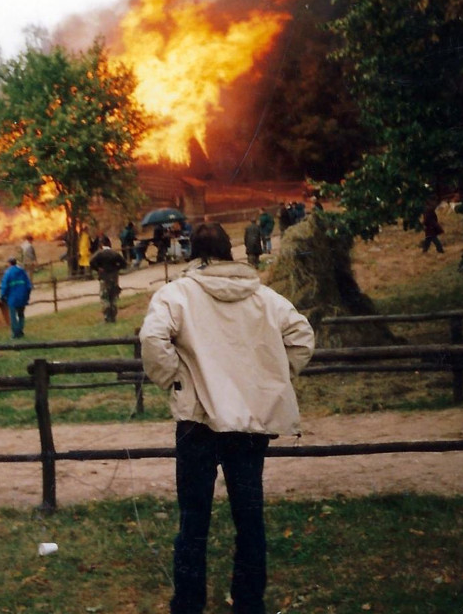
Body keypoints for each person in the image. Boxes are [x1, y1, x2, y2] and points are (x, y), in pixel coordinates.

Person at [139, 224, 315, 614]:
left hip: (198, 422)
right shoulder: (266, 298)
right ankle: (249, 602)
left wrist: (177, 381)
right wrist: (270, 379)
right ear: (228, 252)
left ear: (196, 255)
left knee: (193, 518)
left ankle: (188, 603)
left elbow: (153, 340)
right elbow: (302, 336)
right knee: (250, 518)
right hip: (250, 424)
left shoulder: (177, 295)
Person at [89, 243, 127, 323]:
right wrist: (117, 268)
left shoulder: (99, 254)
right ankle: (113, 317)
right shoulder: (115, 254)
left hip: (104, 277)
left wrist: (98, 268)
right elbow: (124, 264)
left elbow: (91, 262)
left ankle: (107, 317)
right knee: (113, 297)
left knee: (105, 297)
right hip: (114, 277)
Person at [0, 257, 33, 339]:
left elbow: (4, 286)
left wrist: (2, 296)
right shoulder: (22, 271)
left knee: (13, 316)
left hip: (12, 298)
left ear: (9, 263)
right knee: (21, 314)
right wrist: (27, 296)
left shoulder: (8, 273)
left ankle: (15, 333)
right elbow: (28, 286)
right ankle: (20, 330)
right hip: (22, 297)